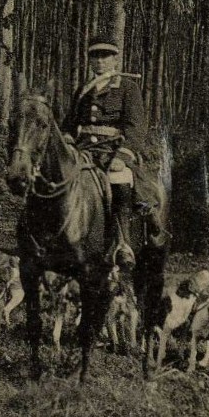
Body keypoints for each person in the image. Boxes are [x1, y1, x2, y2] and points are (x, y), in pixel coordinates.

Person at [62, 36, 166, 264]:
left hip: (113, 151)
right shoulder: (83, 89)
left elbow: (136, 127)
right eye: (95, 56)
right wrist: (68, 141)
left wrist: (123, 155)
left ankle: (123, 242)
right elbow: (69, 124)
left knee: (119, 179)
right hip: (84, 151)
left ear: (115, 59)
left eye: (105, 56)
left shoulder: (127, 88)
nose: (100, 61)